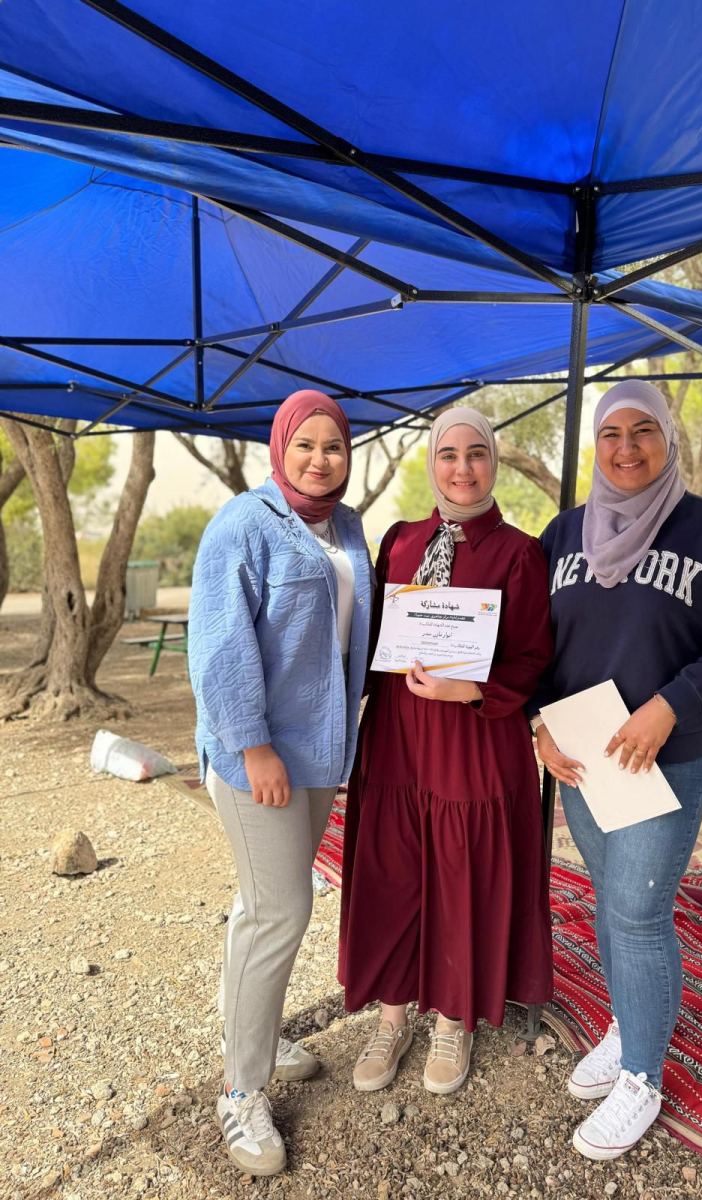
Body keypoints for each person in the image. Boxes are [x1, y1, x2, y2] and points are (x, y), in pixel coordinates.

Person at [532, 380, 702, 1162]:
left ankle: (642, 1075)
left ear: (669, 438)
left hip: (666, 752)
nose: (627, 448)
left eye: (643, 431)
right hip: (584, 751)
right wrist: (539, 721)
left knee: (638, 909)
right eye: (611, 434)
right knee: (611, 897)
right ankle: (629, 1023)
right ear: (595, 446)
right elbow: (535, 641)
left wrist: (671, 705)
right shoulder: (562, 535)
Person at [339, 407, 554, 1096]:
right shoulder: (400, 540)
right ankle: (393, 1016)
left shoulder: (519, 552)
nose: (463, 468)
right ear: (432, 463)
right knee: (396, 868)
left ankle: (454, 1017)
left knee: (463, 870)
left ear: (494, 462)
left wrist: (472, 689)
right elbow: (372, 638)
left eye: (476, 454)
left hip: (473, 739)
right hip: (398, 738)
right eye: (449, 455)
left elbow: (534, 657)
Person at [188, 390, 372, 1176]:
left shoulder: (349, 527)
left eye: (334, 446)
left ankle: (252, 1033)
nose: (320, 459)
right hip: (257, 757)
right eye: (306, 445)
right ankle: (241, 1091)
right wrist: (254, 745)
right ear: (280, 447)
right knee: (282, 909)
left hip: (320, 752)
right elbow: (219, 645)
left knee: (260, 905)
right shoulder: (243, 523)